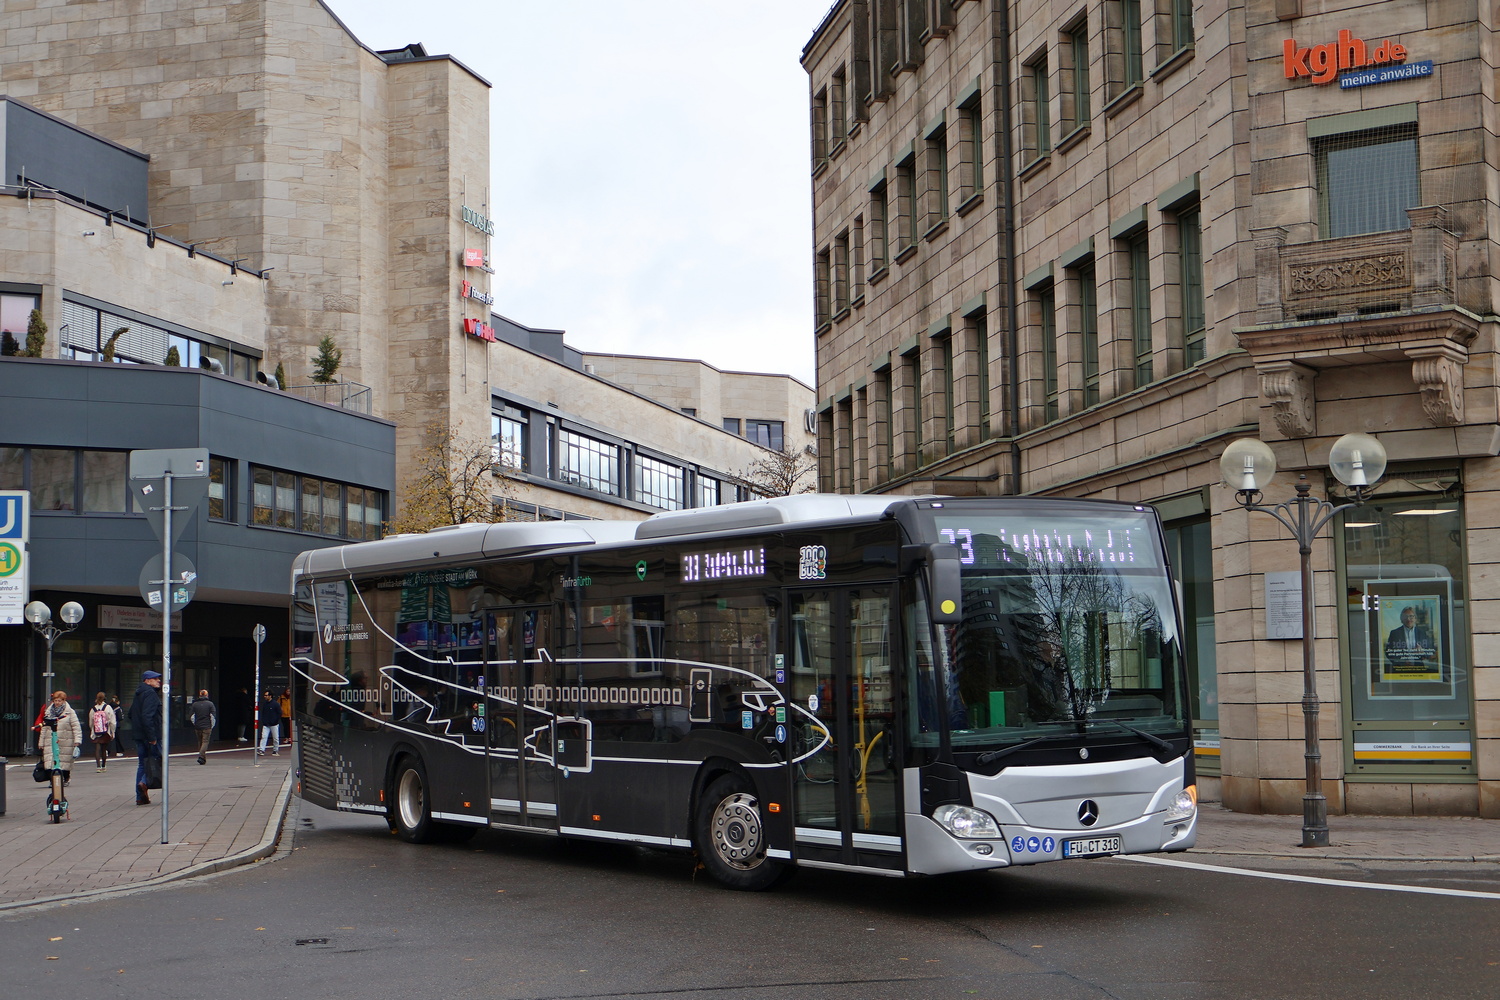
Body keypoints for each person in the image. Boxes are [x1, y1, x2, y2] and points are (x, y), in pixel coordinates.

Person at [129, 670, 163, 805]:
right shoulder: (150, 694)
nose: (158, 681)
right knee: (156, 759)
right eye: (155, 679)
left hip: (138, 735)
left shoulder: (138, 693)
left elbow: (131, 713)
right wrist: (152, 737)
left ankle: (140, 797)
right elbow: (147, 716)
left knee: (142, 763)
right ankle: (143, 782)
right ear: (147, 681)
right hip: (149, 735)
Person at [39, 690, 81, 786]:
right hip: (50, 740)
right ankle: (53, 781)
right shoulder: (48, 712)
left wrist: (77, 740)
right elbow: (44, 728)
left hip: (65, 741)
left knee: (64, 762)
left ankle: (65, 778)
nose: (57, 703)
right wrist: (41, 742)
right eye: (55, 700)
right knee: (51, 761)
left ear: (64, 701)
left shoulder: (70, 712)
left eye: (59, 701)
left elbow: (76, 726)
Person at [1384, 605, 1437, 674]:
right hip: (1400, 670)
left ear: (1415, 619)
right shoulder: (1394, 633)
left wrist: (1423, 652)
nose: (1409, 619)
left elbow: (1431, 651)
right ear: (1401, 619)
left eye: (1411, 616)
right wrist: (1401, 662)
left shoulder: (1422, 633)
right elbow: (1389, 652)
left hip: (1419, 670)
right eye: (1405, 616)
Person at [87, 692, 117, 772]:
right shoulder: (108, 708)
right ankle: (103, 766)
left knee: (97, 748)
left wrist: (93, 730)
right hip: (106, 731)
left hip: (96, 732)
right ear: (104, 698)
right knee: (104, 749)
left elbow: (91, 723)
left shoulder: (93, 709)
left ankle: (98, 766)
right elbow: (112, 721)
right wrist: (112, 732)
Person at [190, 688, 217, 765]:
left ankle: (203, 759)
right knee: (205, 742)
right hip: (207, 726)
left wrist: (195, 724)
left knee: (200, 741)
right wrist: (211, 725)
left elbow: (192, 716)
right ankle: (201, 756)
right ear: (206, 695)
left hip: (198, 726)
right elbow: (212, 716)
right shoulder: (210, 704)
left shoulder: (195, 704)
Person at [257, 689, 281, 756]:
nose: (265, 696)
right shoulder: (265, 704)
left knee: (275, 738)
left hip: (274, 724)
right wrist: (264, 720)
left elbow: (279, 713)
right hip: (266, 723)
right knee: (264, 737)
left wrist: (275, 720)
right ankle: (262, 749)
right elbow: (263, 713)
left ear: (270, 696)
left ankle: (275, 750)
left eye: (266, 695)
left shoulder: (275, 704)